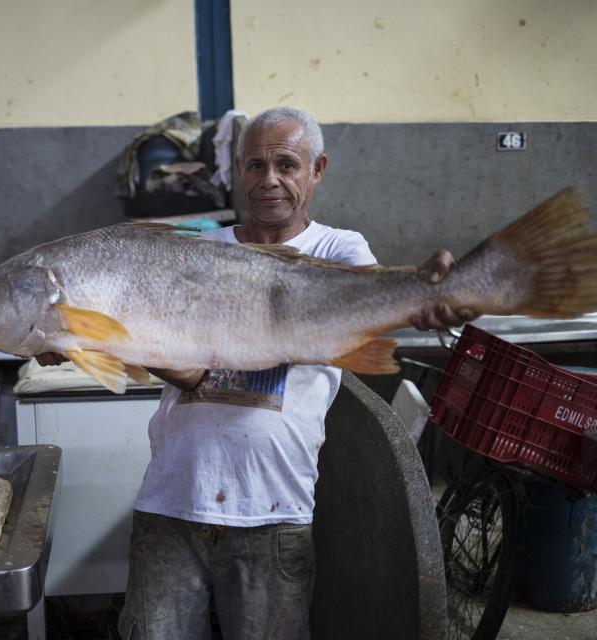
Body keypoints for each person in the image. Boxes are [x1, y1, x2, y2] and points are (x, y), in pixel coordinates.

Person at [40, 107, 475, 639]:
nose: (269, 179)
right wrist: (78, 337)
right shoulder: (199, 251)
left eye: (287, 165)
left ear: (317, 170)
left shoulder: (338, 250)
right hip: (173, 499)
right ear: (238, 171)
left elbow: (367, 303)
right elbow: (187, 368)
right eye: (254, 165)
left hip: (275, 509)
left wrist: (427, 297)